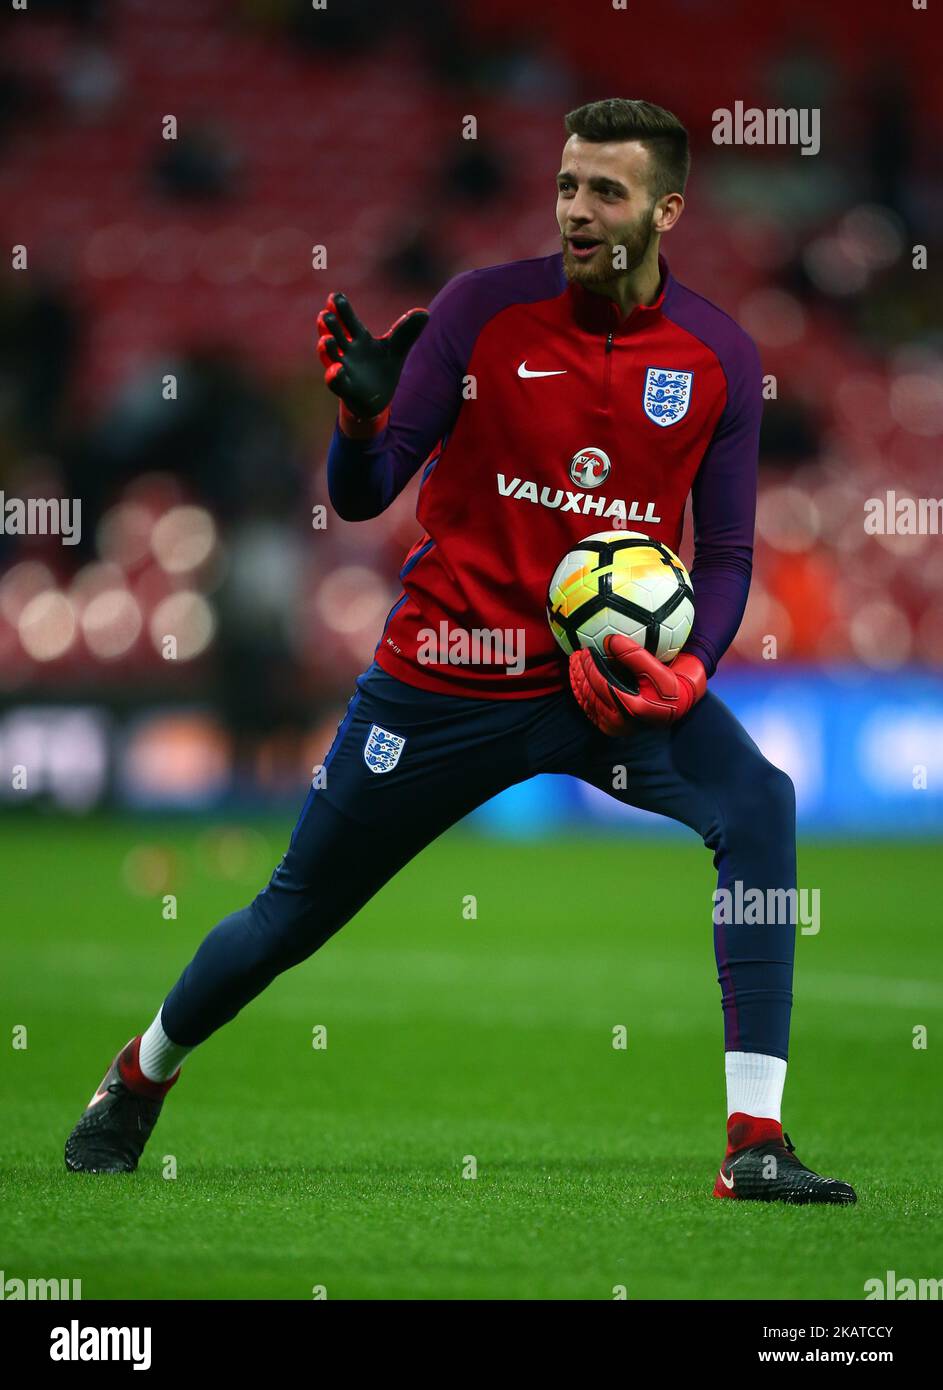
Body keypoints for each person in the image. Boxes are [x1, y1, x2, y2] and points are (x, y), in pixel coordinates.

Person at [65, 97, 855, 1204]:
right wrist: (354, 429)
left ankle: (754, 1140)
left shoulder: (719, 356)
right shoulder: (484, 313)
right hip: (443, 675)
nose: (578, 211)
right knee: (290, 917)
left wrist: (690, 665)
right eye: (569, 186)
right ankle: (139, 1075)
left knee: (758, 802)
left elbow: (722, 555)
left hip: (603, 690)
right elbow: (362, 496)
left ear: (667, 209)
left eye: (607, 192)